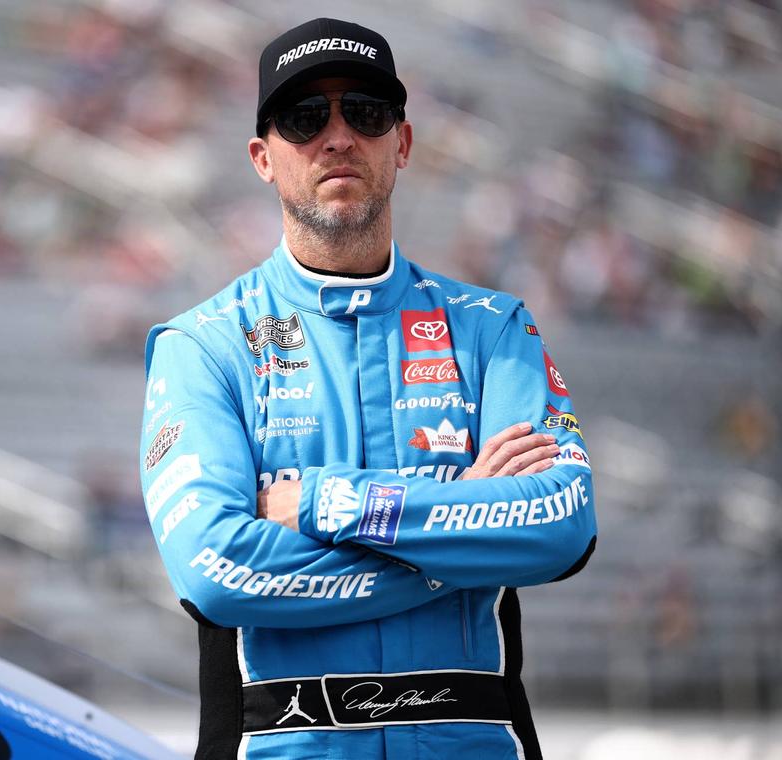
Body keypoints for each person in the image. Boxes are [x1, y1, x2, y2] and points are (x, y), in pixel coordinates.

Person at [139, 17, 595, 760]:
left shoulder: (494, 329)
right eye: (305, 117)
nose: (339, 136)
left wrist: (332, 505)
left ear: (403, 143)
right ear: (263, 157)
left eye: (367, 113)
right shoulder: (203, 346)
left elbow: (560, 523)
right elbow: (217, 571)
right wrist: (459, 531)